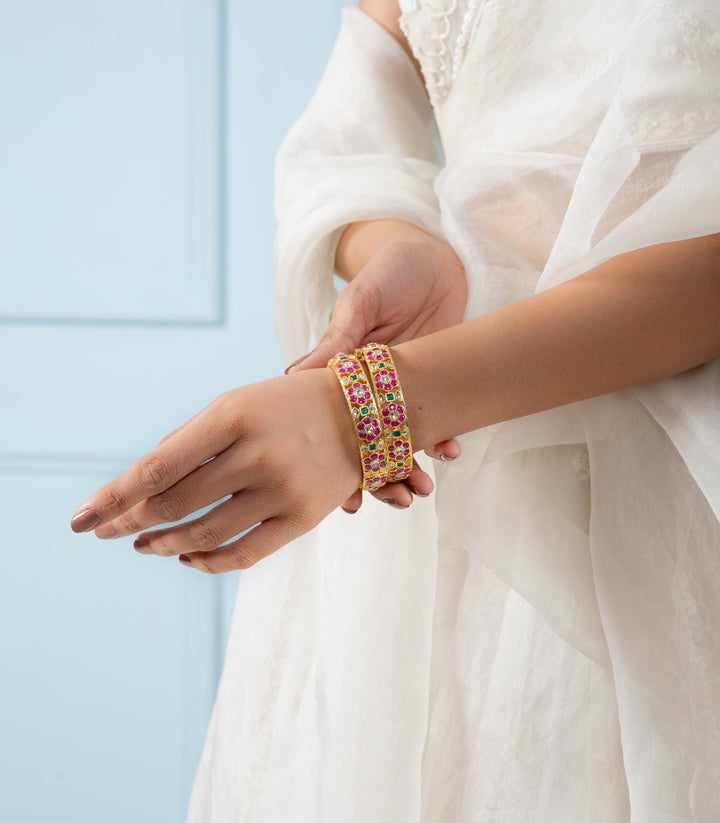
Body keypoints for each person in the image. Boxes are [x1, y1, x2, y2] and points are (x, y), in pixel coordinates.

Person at [71, 1, 720, 820]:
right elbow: (344, 151)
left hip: (667, 484)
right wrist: (409, 251)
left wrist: (375, 408)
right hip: (422, 499)